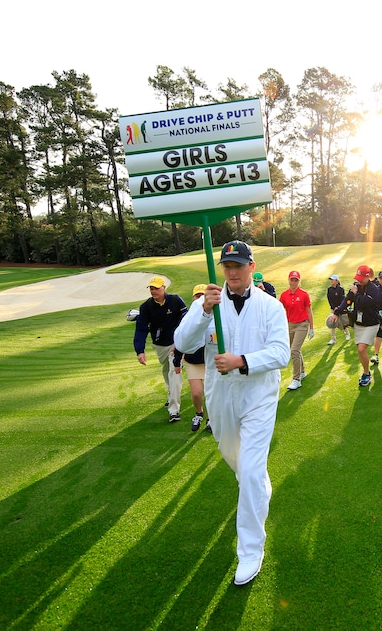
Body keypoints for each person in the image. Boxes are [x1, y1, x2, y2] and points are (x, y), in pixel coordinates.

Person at [173, 240, 290, 586]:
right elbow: (182, 342)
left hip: (258, 396)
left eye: (239, 265)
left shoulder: (270, 306)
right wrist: (203, 311)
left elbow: (281, 353)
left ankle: (251, 551)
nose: (233, 272)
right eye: (228, 266)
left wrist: (243, 362)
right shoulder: (207, 303)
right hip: (220, 397)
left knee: (252, 472)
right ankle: (256, 484)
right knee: (234, 458)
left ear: (252, 267)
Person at [133, 275, 187, 423]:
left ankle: (174, 409)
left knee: (174, 371)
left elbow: (186, 317)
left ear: (164, 287)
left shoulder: (176, 300)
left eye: (156, 288)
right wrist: (140, 351)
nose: (153, 290)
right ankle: (172, 396)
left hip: (176, 344)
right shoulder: (146, 307)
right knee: (166, 371)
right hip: (159, 345)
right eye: (151, 288)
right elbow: (141, 329)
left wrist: (182, 338)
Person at [328, 265, 380, 387]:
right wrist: (337, 312)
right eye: (358, 278)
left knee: (362, 348)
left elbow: (364, 302)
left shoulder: (374, 289)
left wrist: (355, 293)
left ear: (368, 277)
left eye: (361, 278)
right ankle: (366, 372)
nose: (359, 280)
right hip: (358, 324)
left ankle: (367, 373)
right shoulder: (356, 286)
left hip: (371, 323)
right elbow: (347, 300)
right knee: (360, 351)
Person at [174, 284, 211, 432]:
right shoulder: (188, 317)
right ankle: (199, 413)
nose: (200, 298)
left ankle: (210, 418)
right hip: (192, 361)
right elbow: (181, 339)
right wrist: (177, 361)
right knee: (196, 393)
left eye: (202, 295)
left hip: (208, 360)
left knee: (210, 393)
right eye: (197, 296)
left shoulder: (213, 316)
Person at [280, 270, 314, 390]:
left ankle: (296, 379)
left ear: (299, 281)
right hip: (290, 325)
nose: (294, 282)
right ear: (288, 280)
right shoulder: (284, 295)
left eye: (296, 280)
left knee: (294, 350)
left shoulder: (304, 294)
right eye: (292, 279)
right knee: (295, 350)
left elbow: (309, 311)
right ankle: (302, 371)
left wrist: (312, 327)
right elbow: (279, 310)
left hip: (302, 325)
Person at [326, 275, 350, 343]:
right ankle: (333, 339)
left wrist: (338, 307)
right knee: (332, 323)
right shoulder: (329, 289)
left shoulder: (340, 289)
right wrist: (334, 308)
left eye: (332, 280)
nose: (331, 281)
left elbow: (342, 299)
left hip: (340, 309)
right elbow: (329, 299)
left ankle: (347, 333)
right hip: (333, 309)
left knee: (342, 322)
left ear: (336, 281)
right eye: (330, 279)